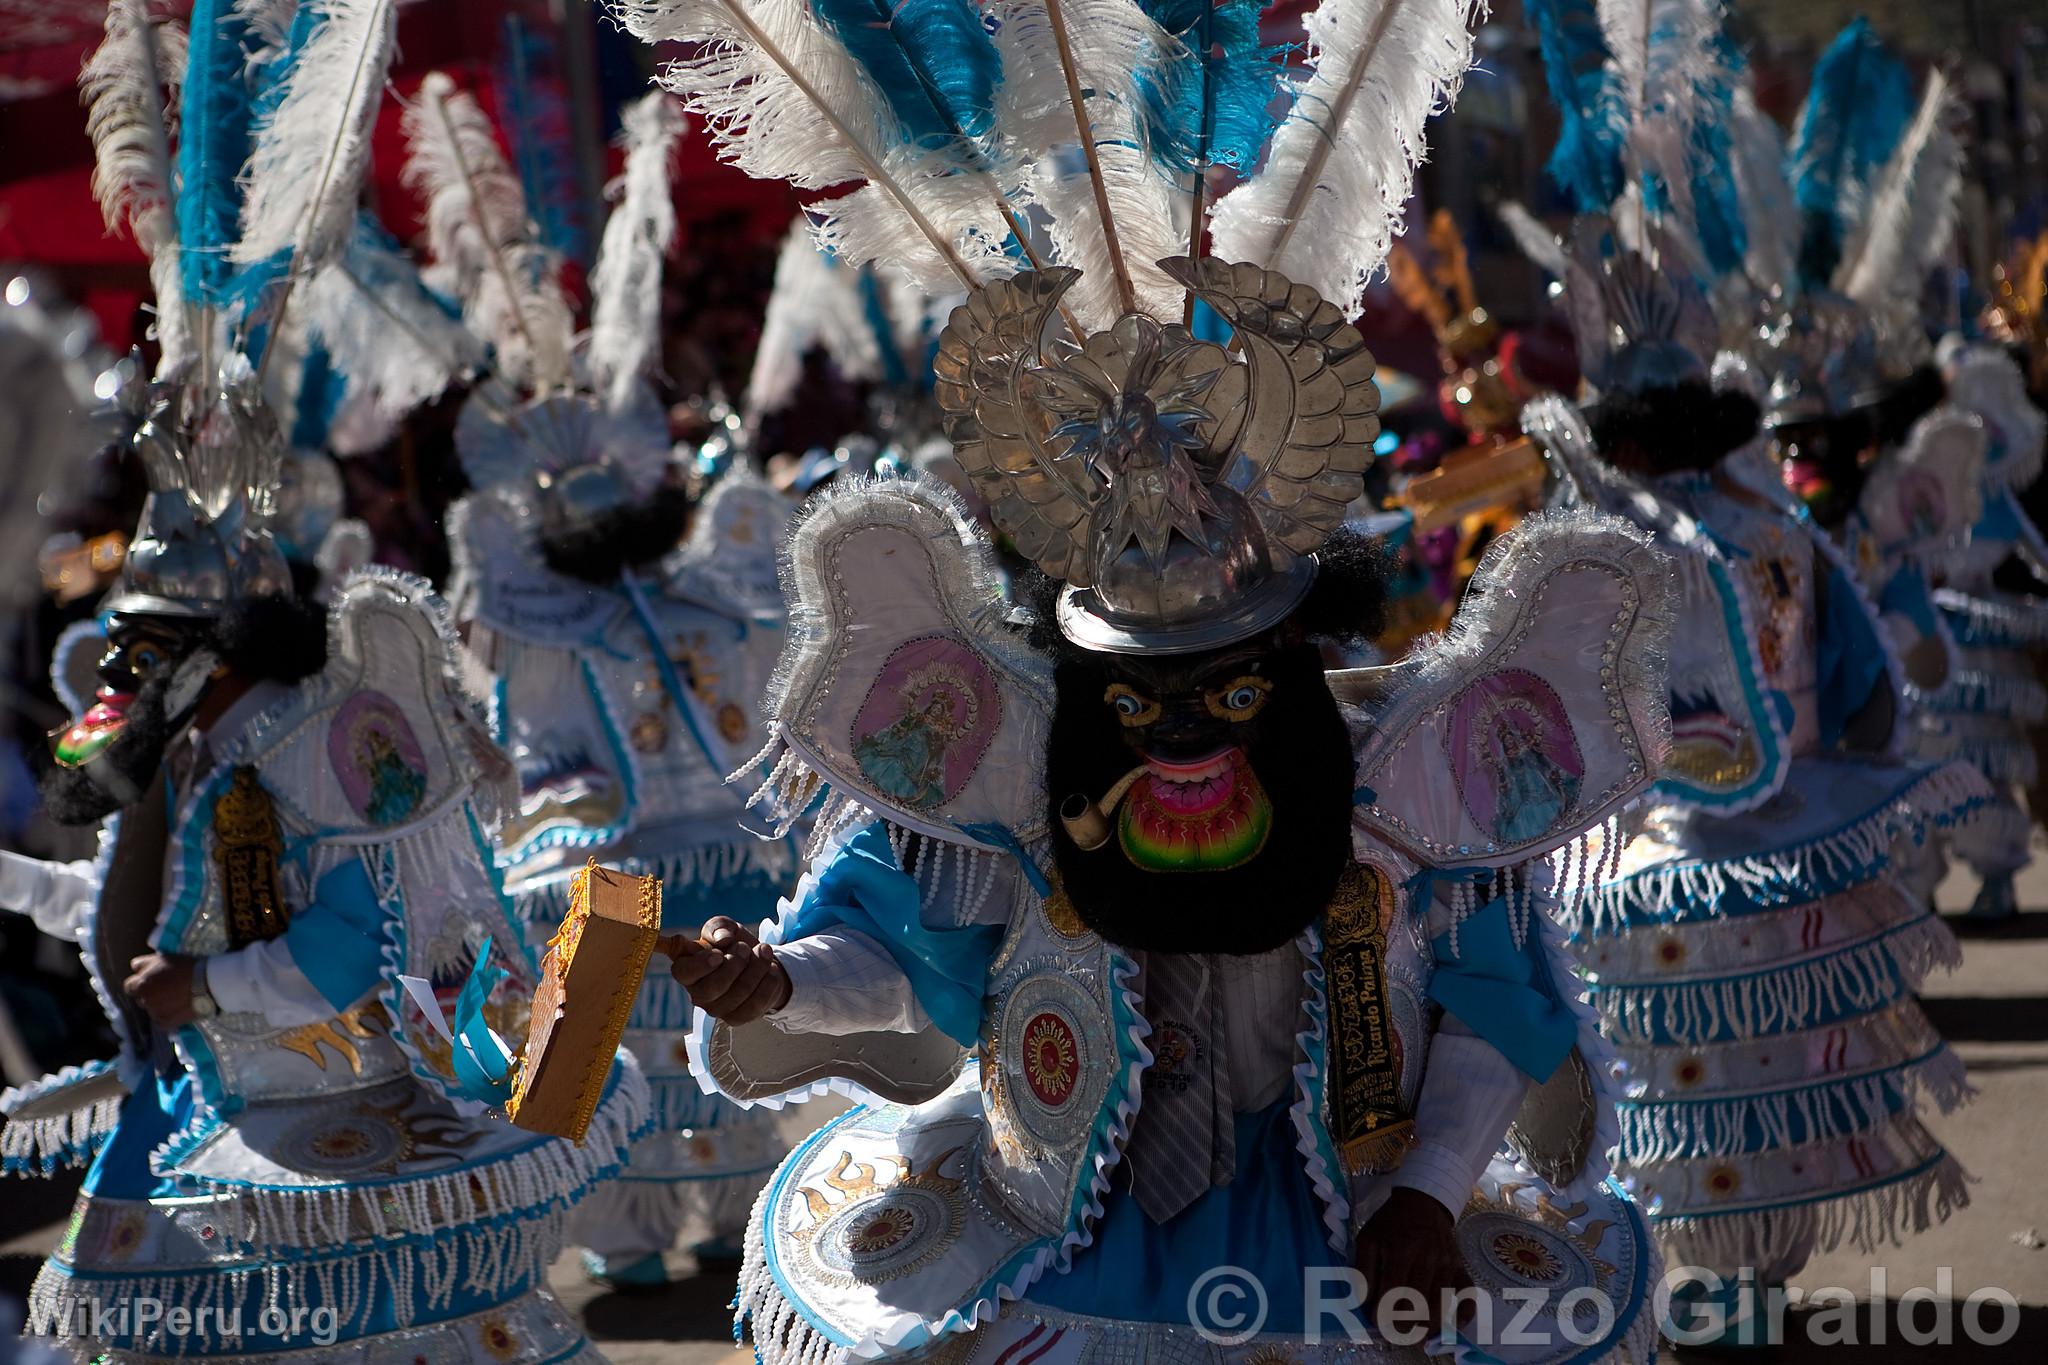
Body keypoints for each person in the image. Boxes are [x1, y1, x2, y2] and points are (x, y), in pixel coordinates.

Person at [613, 3, 1674, 1360]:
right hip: (1064, 1214)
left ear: (1286, 649)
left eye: (1223, 683)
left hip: (1338, 1217)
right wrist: (776, 977)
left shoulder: (1404, 790)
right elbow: (897, 950)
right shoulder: (1013, 761)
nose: (1177, 728)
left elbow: (1490, 999)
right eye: (1139, 683)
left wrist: (1423, 1195)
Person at [1515, 9, 1987, 1344]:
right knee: (1762, 1089)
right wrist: (1859, 760)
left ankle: (1694, 1292)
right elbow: (1861, 685)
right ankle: (1753, 1293)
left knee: (1651, 1094)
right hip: (1781, 863)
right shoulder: (1779, 532)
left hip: (1634, 870)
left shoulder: (1586, 544)